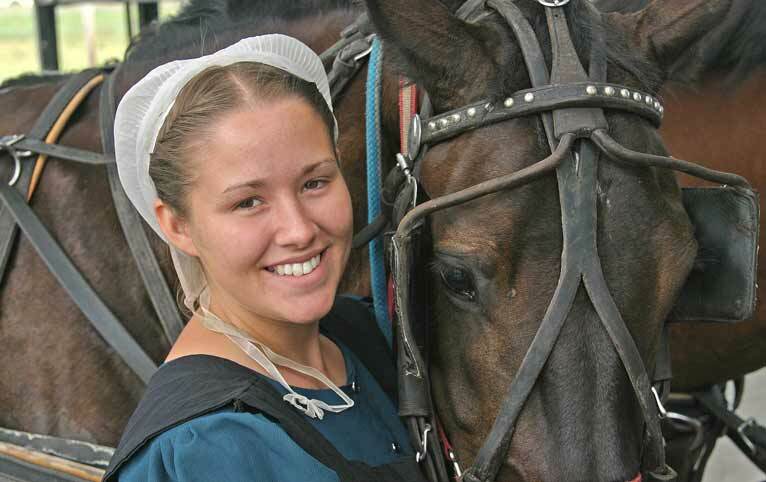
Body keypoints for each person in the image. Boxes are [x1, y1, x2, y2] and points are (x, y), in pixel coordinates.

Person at [102, 35, 425, 482]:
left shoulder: (365, 336)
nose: (299, 230)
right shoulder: (209, 447)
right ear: (177, 225)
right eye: (248, 202)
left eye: (314, 183)